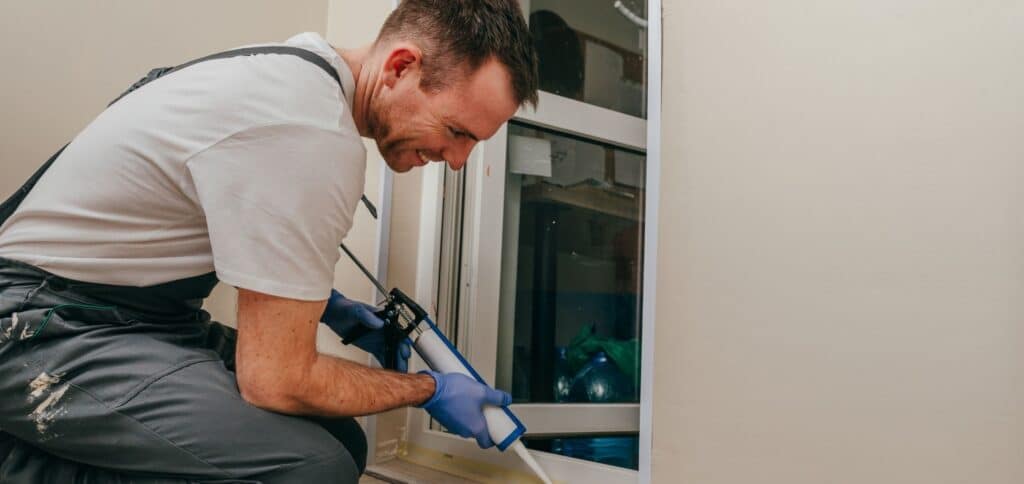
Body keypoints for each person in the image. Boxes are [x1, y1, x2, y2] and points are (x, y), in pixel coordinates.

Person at [0, 0, 538, 482]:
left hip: (131, 315)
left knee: (342, 441)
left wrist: (327, 307)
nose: (459, 159)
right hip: (41, 324)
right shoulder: (309, 129)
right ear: (401, 66)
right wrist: (430, 391)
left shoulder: (296, 72)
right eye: (458, 131)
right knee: (311, 467)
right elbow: (277, 380)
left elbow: (220, 222)